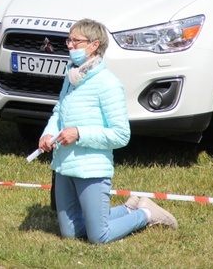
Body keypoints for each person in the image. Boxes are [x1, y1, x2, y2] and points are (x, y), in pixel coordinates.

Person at [39, 19, 177, 244]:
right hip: (64, 166)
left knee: (99, 236)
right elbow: (58, 112)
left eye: (76, 41)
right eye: (69, 40)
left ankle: (146, 214)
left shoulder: (108, 84)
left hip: (92, 170)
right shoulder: (70, 78)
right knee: (70, 233)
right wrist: (47, 134)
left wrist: (80, 133)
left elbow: (121, 135)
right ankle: (128, 207)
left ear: (94, 45)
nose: (70, 45)